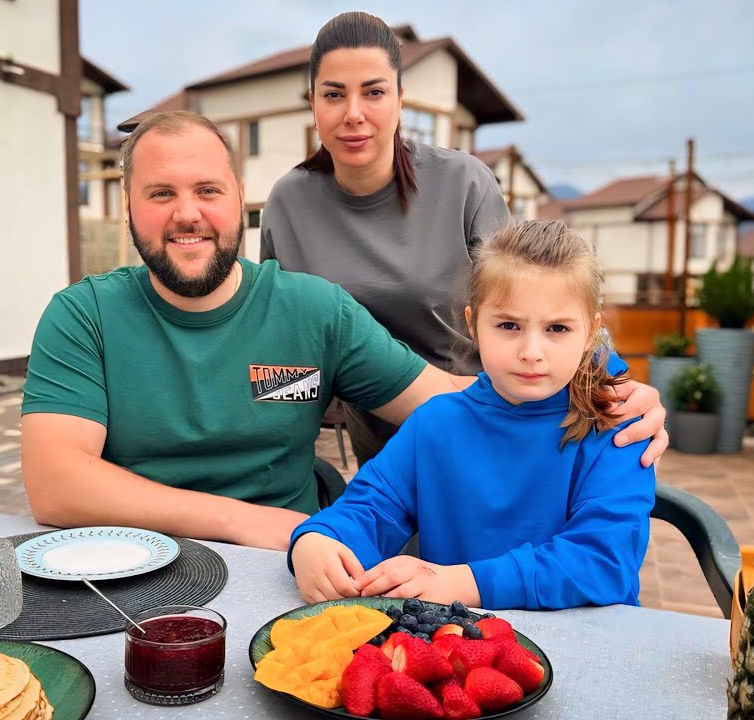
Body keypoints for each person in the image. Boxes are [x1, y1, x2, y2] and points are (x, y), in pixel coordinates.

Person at [19, 111, 665, 552]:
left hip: (285, 570)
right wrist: (245, 523)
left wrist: (602, 387)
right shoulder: (84, 316)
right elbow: (55, 487)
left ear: (239, 195)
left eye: (207, 190)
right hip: (128, 565)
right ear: (128, 201)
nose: (187, 214)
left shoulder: (315, 311)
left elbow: (454, 401)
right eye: (160, 193)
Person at [261, 12, 664, 467]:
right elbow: (279, 347)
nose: (354, 113)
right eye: (334, 94)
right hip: (379, 444)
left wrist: (613, 382)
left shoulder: (462, 183)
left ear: (399, 100)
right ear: (313, 102)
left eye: (374, 92)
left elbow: (534, 291)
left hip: (483, 420)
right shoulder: (287, 204)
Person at [289, 220, 657, 610]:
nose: (532, 351)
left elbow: (604, 562)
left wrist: (463, 582)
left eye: (557, 328)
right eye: (509, 325)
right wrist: (319, 539)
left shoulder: (620, 426)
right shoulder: (434, 423)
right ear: (473, 324)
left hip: (586, 648)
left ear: (590, 334)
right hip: (458, 648)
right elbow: (371, 506)